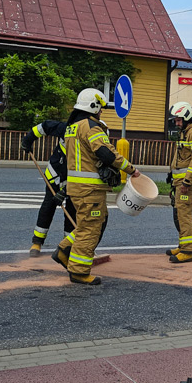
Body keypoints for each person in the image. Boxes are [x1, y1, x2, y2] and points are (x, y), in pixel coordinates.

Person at [53, 88, 140, 285]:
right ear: (93, 106)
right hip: (89, 189)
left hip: (77, 188)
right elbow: (106, 153)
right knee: (90, 229)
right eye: (100, 108)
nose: (101, 112)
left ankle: (64, 250)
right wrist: (131, 169)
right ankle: (79, 271)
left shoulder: (72, 127)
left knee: (89, 223)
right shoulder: (91, 127)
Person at [20, 119, 76, 257]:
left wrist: (66, 190)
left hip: (74, 181)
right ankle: (37, 242)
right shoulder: (66, 128)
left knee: (72, 211)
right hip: (55, 175)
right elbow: (44, 126)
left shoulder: (91, 139)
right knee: (48, 206)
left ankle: (67, 246)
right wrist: (28, 139)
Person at [165, 101, 192, 263]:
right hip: (180, 182)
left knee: (184, 214)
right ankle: (183, 245)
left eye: (179, 120)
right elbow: (180, 157)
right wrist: (171, 175)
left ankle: (187, 251)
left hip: (187, 184)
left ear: (188, 117)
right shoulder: (185, 133)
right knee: (180, 214)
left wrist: (187, 182)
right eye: (175, 120)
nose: (176, 123)